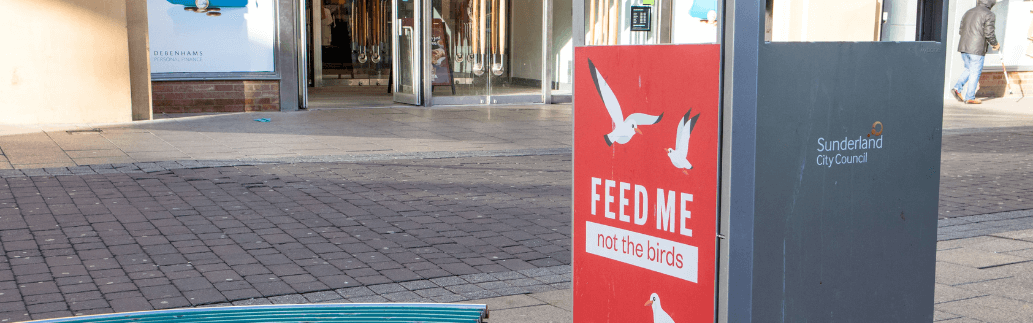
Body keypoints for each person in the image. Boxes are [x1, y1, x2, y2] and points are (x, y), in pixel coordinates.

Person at [952, 0, 1000, 105]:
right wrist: (995, 44)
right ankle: (970, 97)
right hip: (976, 49)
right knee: (975, 72)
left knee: (969, 69)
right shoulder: (989, 14)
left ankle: (957, 88)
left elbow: (961, 30)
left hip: (964, 47)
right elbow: (989, 33)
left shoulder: (968, 12)